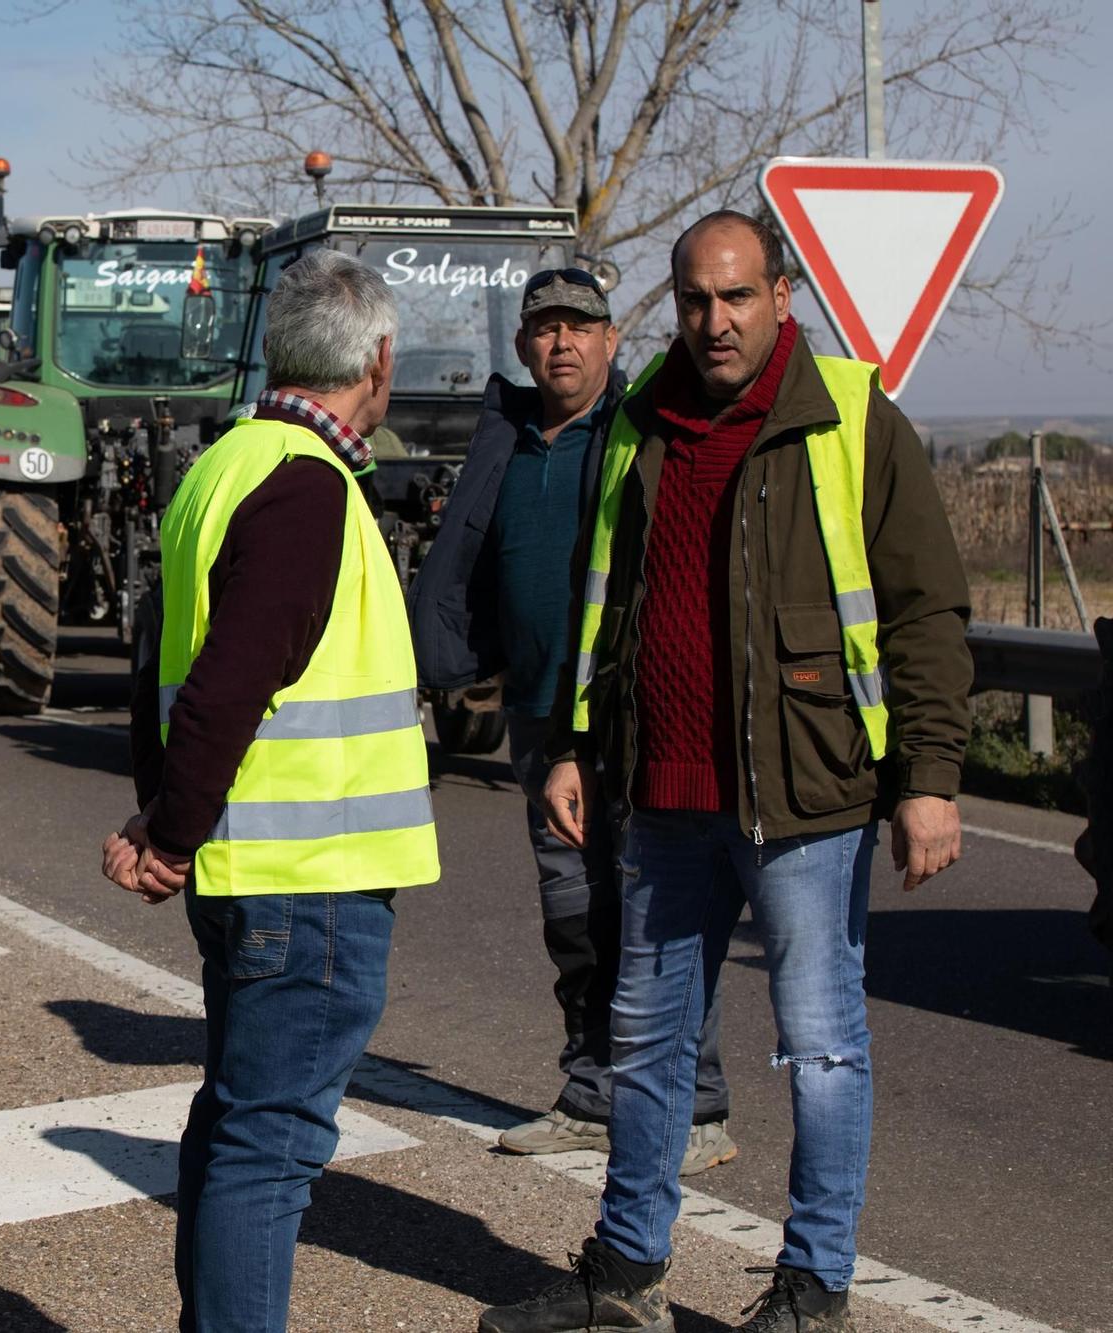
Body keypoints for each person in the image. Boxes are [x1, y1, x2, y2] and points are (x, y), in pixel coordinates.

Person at [479, 210, 971, 1333]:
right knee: (644, 1046)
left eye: (737, 296)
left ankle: (810, 1288)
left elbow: (925, 610)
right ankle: (624, 1278)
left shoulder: (847, 417)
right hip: (661, 799)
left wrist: (928, 777)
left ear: (781, 294)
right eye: (694, 300)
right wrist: (570, 743)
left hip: (806, 795)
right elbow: (602, 599)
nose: (714, 321)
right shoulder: (641, 419)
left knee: (822, 1047)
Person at [104, 249, 439, 1332]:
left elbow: (162, 654)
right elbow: (230, 675)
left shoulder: (224, 464)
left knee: (236, 1129)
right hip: (314, 881)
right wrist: (167, 831)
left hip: (253, 870)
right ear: (377, 361)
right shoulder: (308, 486)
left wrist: (162, 814)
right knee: (269, 1150)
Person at [410, 269, 737, 1175]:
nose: (561, 343)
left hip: (638, 715)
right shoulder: (506, 439)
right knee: (576, 917)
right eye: (544, 329)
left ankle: (697, 1106)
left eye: (579, 327)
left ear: (610, 339)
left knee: (660, 913)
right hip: (539, 716)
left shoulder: (642, 433)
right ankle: (593, 1095)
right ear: (522, 347)